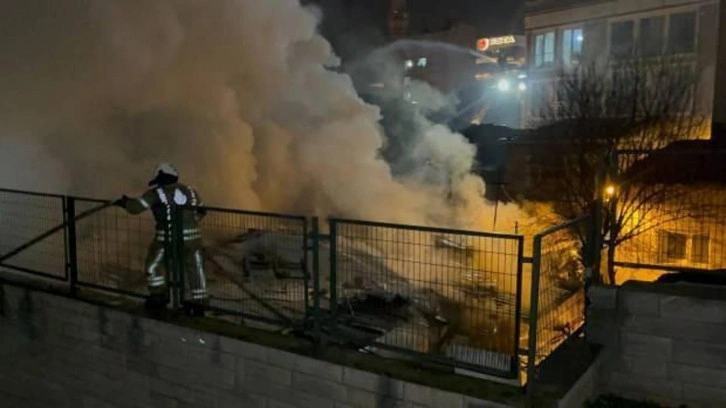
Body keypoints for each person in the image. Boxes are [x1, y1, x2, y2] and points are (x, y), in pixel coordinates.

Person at [114, 162, 208, 313]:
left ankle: (158, 296)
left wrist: (125, 203)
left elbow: (136, 207)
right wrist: (190, 223)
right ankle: (200, 302)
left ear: (162, 178)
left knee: (153, 264)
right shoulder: (191, 191)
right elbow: (202, 211)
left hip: (167, 240)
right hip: (193, 239)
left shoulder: (156, 193)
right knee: (196, 268)